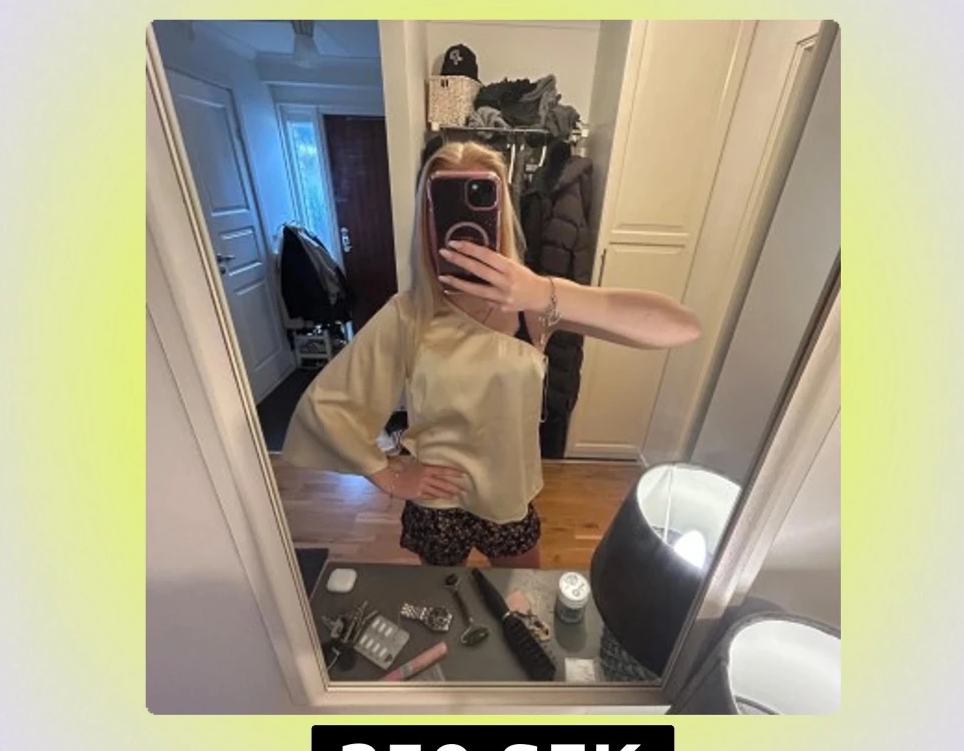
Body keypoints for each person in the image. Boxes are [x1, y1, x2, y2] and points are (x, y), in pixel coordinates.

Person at [281, 141, 702, 568]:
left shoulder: (533, 306)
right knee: (444, 600)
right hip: (438, 500)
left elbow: (680, 327)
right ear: (428, 219)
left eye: (482, 201)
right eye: (446, 207)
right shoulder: (409, 314)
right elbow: (326, 407)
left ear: (501, 215)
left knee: (520, 598)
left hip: (509, 495)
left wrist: (541, 292)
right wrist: (386, 474)